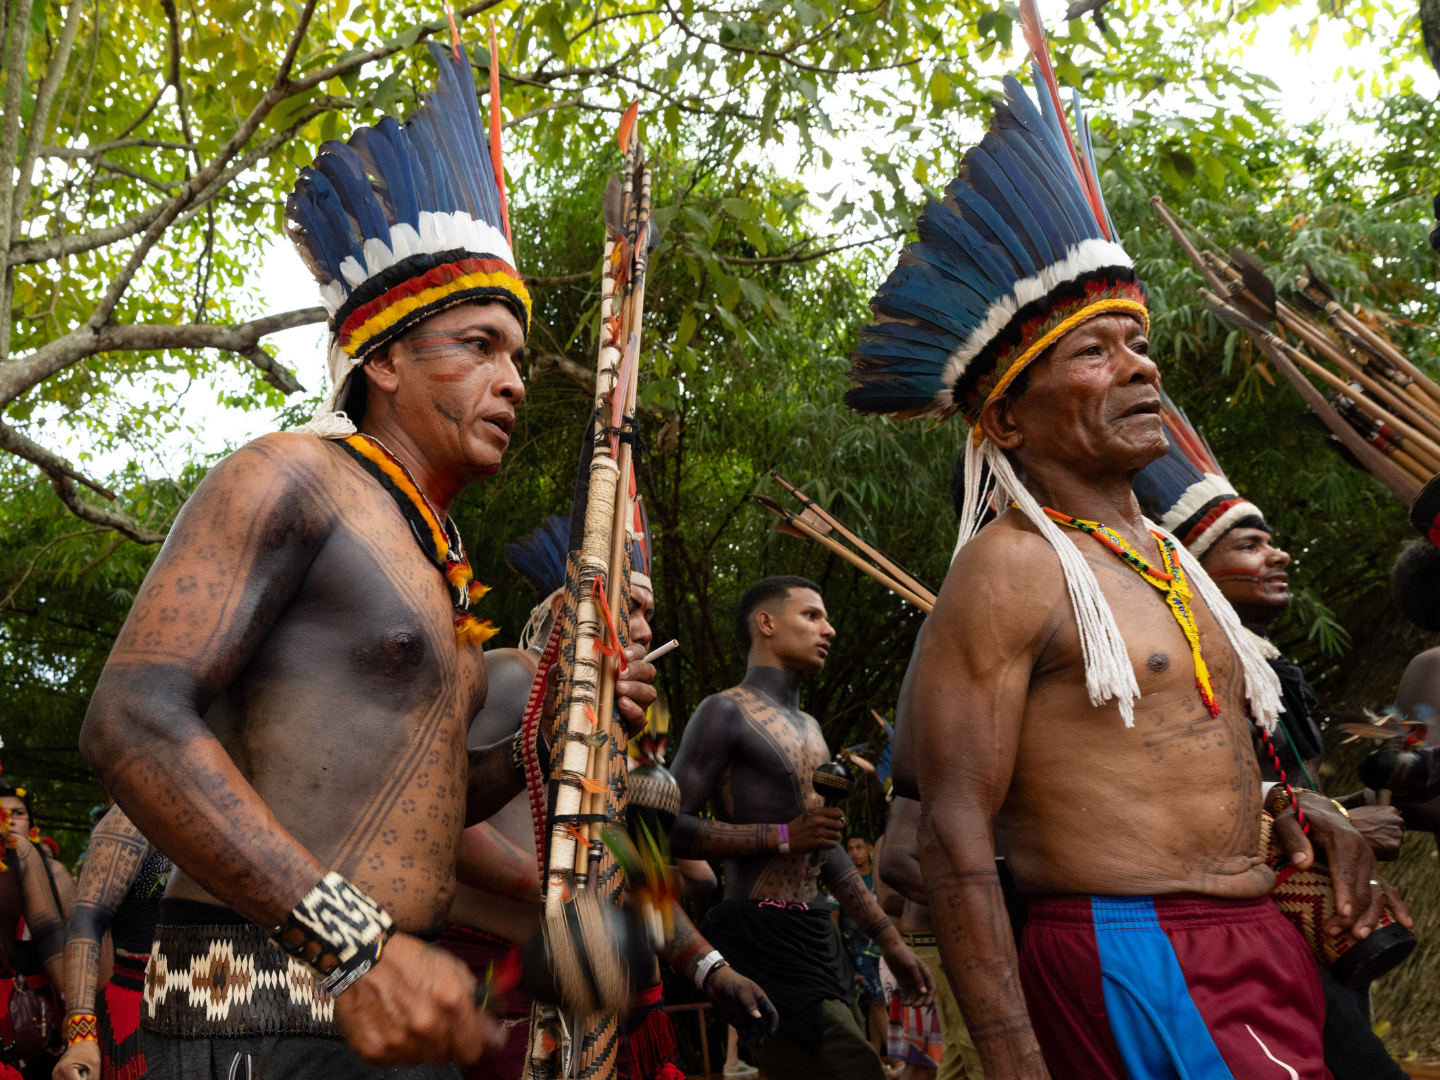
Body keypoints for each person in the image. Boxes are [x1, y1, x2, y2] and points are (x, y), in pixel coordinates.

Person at [78, 46, 656, 1080]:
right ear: (384, 360)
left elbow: (414, 798)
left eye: (516, 355)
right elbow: (129, 722)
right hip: (257, 1006)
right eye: (477, 346)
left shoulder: (438, 557)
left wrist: (559, 710)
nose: (513, 380)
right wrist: (349, 942)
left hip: (392, 1006)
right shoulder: (288, 478)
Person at [842, 28, 1398, 1077]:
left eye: (1138, 344)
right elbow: (954, 836)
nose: (1139, 367)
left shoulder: (1172, 560)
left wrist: (1301, 811)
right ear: (1006, 423)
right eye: (1095, 351)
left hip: (1255, 938)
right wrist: (1009, 1053)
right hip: (1128, 952)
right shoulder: (1012, 567)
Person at [1130, 395, 1410, 1080]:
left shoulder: (1264, 663)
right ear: (1196, 567)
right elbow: (1192, 795)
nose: (1278, 553)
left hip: (1320, 918)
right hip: (1245, 929)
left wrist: (1349, 811)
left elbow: (1281, 783)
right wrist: (1339, 818)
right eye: (1251, 543)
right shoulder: (1186, 666)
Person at [444, 511, 777, 1080]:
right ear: (562, 612)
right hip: (500, 996)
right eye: (632, 608)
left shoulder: (613, 733)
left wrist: (708, 967)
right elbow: (437, 820)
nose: (646, 630)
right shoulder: (511, 677)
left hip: (594, 1007)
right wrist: (561, 889)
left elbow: (637, 878)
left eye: (650, 613)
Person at [670, 575, 933, 1080]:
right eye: (811, 615)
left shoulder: (812, 727)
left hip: (817, 931)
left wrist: (891, 943)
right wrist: (783, 836)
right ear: (765, 623)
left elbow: (825, 845)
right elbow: (671, 827)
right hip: (759, 930)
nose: (828, 629)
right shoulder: (724, 711)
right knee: (856, 1068)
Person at [51, 806, 169, 1080]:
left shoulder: (250, 805)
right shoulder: (135, 813)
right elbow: (85, 921)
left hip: (235, 1012)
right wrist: (81, 1033)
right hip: (139, 1013)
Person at [0, 782, 65, 1080]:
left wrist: (78, 1009)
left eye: (18, 812)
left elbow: (56, 934)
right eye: (3, 812)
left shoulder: (45, 867)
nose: (9, 819)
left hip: (30, 1000)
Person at [839, 835, 887, 1055]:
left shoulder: (879, 878)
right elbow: (832, 919)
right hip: (856, 951)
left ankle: (877, 1058)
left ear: (869, 849)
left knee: (876, 1002)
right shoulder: (844, 880)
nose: (855, 853)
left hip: (882, 949)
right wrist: (840, 952)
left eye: (859, 847)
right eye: (850, 849)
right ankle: (898, 1058)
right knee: (876, 1000)